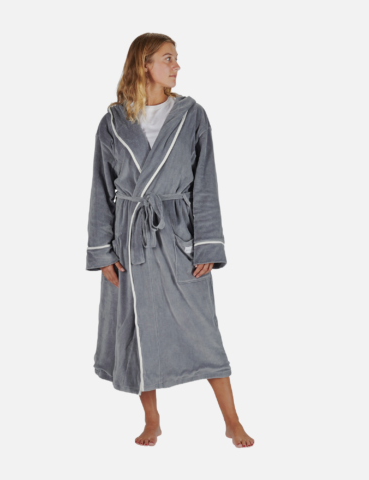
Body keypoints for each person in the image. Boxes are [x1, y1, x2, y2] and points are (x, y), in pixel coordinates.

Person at [86, 33, 254, 449]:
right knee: (139, 327)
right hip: (131, 240)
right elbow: (101, 190)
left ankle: (232, 420)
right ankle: (152, 420)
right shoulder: (113, 122)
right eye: (168, 58)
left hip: (179, 237)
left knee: (203, 330)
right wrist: (102, 252)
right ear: (144, 64)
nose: (177, 66)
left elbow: (205, 184)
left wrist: (207, 246)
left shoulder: (191, 115)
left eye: (176, 58)